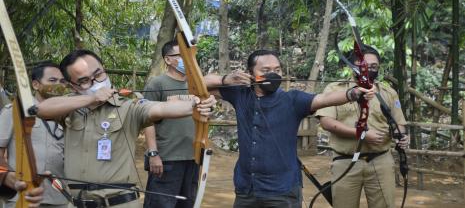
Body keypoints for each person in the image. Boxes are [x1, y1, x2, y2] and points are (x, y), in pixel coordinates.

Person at [34, 49, 216, 208]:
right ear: (73, 86)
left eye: (98, 74)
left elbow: (161, 108)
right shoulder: (70, 109)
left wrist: (197, 103)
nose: (96, 82)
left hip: (120, 203)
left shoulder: (129, 105)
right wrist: (91, 98)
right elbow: (40, 109)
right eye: (84, 81)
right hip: (77, 202)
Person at [204, 49, 375, 208]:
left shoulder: (293, 100)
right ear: (250, 74)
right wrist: (225, 79)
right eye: (265, 70)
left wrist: (353, 93)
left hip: (282, 190)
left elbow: (325, 98)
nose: (273, 74)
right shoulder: (240, 94)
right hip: (247, 188)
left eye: (277, 70)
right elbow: (200, 84)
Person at [316, 45, 409, 208]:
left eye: (374, 67)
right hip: (346, 160)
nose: (369, 70)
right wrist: (361, 134)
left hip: (381, 160)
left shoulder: (387, 92)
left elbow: (399, 123)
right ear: (353, 66)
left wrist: (401, 136)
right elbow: (327, 122)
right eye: (364, 66)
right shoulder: (335, 89)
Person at [0, 62, 69, 208]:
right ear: (36, 85)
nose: (58, 85)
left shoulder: (68, 115)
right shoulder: (15, 110)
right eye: (52, 80)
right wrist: (8, 178)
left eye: (62, 81)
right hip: (24, 197)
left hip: (59, 198)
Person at [143, 40, 198, 208]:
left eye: (189, 55)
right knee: (161, 203)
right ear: (168, 60)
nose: (186, 59)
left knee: (187, 204)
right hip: (166, 158)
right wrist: (153, 154)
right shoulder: (157, 83)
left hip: (192, 157)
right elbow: (146, 120)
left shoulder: (196, 84)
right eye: (181, 55)